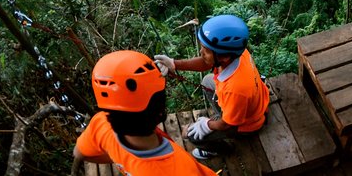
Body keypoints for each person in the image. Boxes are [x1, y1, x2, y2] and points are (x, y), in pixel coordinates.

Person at [73, 50, 216, 176]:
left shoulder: (101, 123)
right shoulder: (182, 169)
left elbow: (79, 152)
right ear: (160, 108)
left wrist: (120, 156)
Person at [155, 14, 270, 160]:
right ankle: (225, 112)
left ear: (224, 57)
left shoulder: (236, 89)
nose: (200, 52)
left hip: (245, 125)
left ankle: (221, 150)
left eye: (206, 50)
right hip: (252, 103)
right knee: (208, 81)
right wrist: (175, 63)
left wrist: (207, 125)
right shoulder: (238, 54)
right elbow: (206, 62)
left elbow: (228, 124)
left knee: (191, 136)